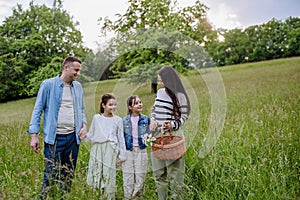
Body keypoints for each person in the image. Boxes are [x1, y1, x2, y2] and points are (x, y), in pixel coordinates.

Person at [27, 56, 88, 199]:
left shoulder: (78, 87)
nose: (78, 74)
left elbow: (81, 110)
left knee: (68, 177)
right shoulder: (48, 85)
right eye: (76, 70)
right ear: (66, 68)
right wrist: (33, 135)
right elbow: (37, 110)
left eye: (79, 71)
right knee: (50, 176)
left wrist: (84, 126)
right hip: (54, 139)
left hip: (73, 139)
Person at [149, 66, 190, 200]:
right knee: (159, 174)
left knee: (175, 175)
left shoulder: (180, 96)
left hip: (173, 137)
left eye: (162, 81)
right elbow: (154, 110)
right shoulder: (160, 92)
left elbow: (184, 117)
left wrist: (171, 124)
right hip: (158, 137)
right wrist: (153, 120)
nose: (161, 83)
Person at [85, 93, 126, 200]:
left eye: (115, 105)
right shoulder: (96, 118)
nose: (113, 107)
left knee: (109, 175)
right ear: (103, 105)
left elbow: (121, 139)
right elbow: (91, 134)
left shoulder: (118, 120)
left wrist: (121, 156)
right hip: (97, 149)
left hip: (110, 150)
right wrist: (82, 134)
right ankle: (96, 196)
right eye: (110, 105)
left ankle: (109, 197)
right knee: (96, 173)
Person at [122, 95, 151, 199]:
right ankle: (128, 197)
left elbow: (150, 134)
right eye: (136, 103)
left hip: (141, 150)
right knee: (128, 177)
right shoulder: (124, 121)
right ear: (130, 107)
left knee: (140, 176)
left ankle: (137, 197)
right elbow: (121, 138)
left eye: (140, 102)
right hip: (128, 151)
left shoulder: (146, 119)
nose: (140, 104)